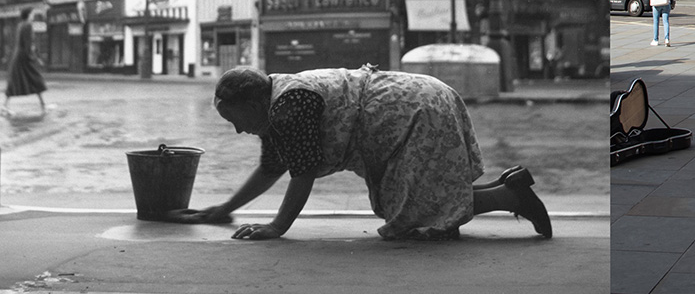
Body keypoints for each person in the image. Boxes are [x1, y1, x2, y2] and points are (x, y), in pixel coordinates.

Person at [175, 65, 552, 240]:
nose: (239, 129)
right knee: (406, 205)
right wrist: (222, 210)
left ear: (254, 101)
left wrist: (277, 227)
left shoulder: (287, 107)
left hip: (414, 109)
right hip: (415, 100)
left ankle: (511, 194)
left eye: (236, 119)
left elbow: (301, 172)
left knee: (413, 213)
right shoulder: (276, 103)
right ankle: (509, 187)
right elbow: (271, 167)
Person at [3, 8, 47, 116]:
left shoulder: (20, 25)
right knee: (36, 79)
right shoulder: (28, 25)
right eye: (32, 14)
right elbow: (28, 44)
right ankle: (43, 106)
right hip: (24, 57)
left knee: (15, 80)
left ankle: (5, 105)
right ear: (28, 15)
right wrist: (34, 58)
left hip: (18, 56)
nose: (33, 16)